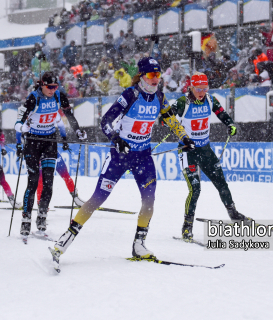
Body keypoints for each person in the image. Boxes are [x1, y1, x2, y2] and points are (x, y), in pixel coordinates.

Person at [50, 57, 195, 265]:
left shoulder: (160, 98)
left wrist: (185, 138)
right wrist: (116, 140)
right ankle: (65, 240)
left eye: (158, 75)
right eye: (152, 75)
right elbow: (106, 121)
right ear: (143, 76)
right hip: (120, 155)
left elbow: (171, 119)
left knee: (149, 199)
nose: (156, 79)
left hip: (143, 156)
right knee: (98, 198)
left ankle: (139, 244)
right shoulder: (131, 94)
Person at [164, 73, 246, 240]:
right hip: (188, 152)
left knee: (221, 183)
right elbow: (166, 118)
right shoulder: (183, 102)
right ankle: (187, 227)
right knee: (195, 189)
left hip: (205, 150)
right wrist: (177, 129)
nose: (201, 92)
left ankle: (234, 214)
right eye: (198, 89)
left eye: (205, 88)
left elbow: (221, 113)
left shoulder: (210, 100)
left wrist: (230, 124)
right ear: (191, 88)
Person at [15, 72, 87, 241]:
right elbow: (19, 121)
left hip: (49, 141)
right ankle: (26, 220)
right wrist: (21, 131)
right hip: (33, 142)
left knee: (48, 182)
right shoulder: (33, 98)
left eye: (55, 87)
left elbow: (69, 116)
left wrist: (77, 131)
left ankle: (42, 217)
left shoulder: (59, 96)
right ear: (42, 85)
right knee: (33, 182)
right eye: (49, 87)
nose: (52, 90)